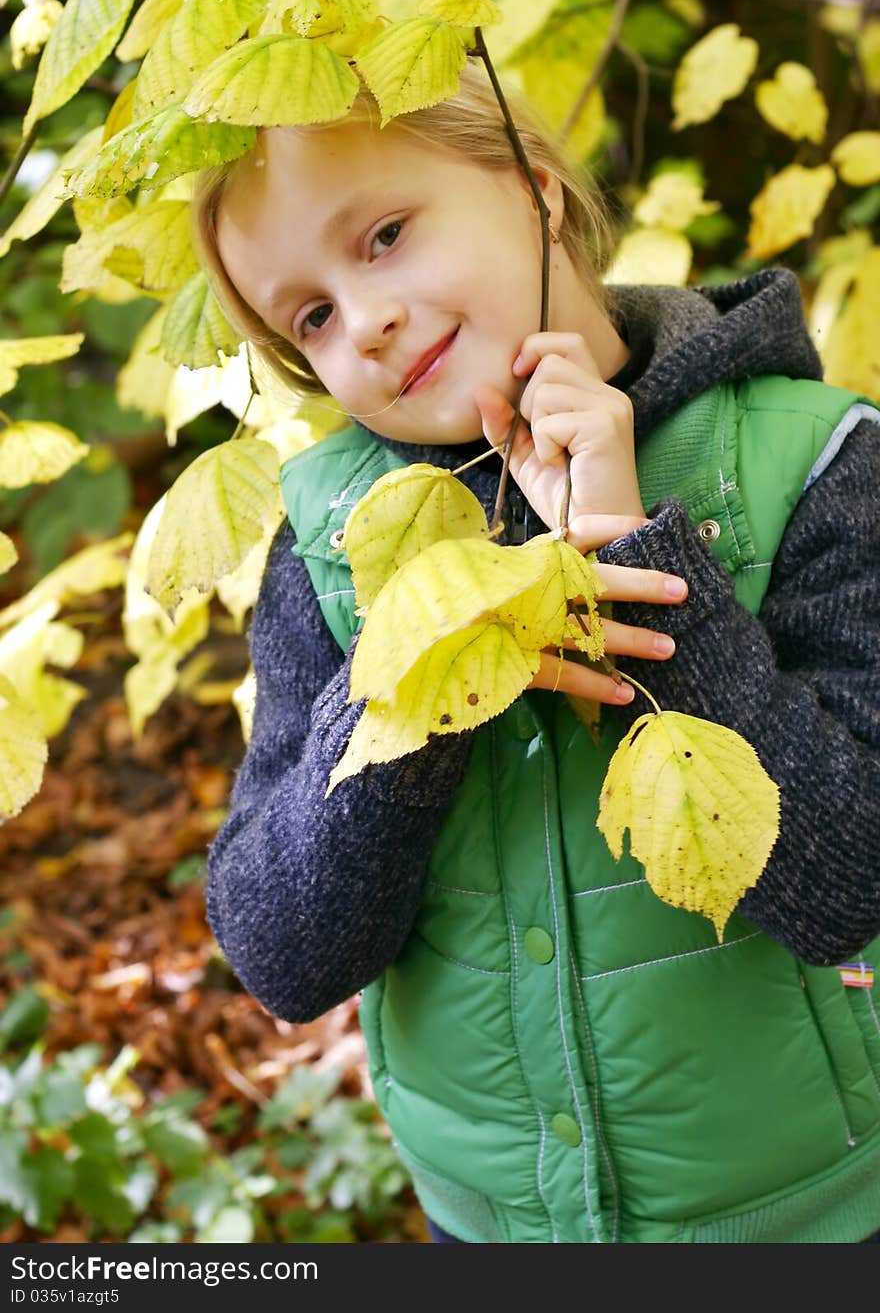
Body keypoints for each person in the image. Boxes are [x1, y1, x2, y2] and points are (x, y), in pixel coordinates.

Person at [194, 61, 880, 1243]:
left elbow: (845, 886)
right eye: (308, 315)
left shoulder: (811, 463)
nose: (363, 322)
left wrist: (635, 561)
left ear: (534, 188)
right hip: (494, 1221)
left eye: (386, 236)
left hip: (809, 1213)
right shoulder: (332, 547)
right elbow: (284, 955)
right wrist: (420, 672)